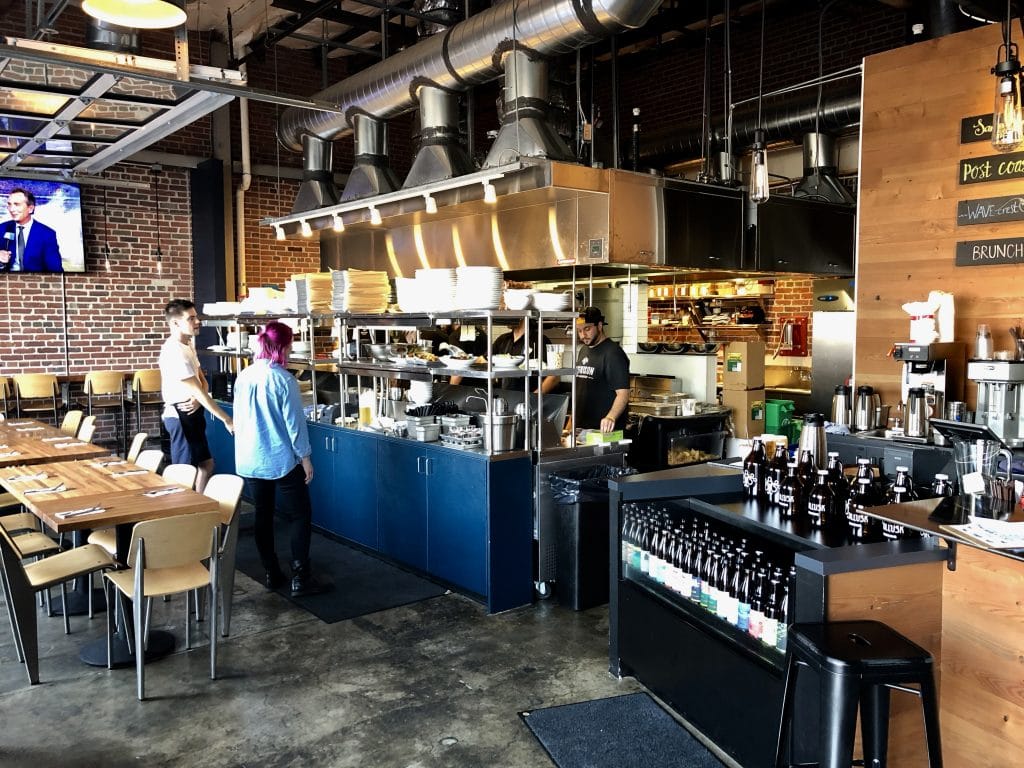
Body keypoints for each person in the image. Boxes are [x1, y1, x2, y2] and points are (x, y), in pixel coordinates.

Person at [233, 321, 329, 597]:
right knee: (300, 515)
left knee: (263, 514)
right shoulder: (284, 379)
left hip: (251, 457)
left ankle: (271, 571)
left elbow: (240, 419)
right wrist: (306, 457)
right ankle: (301, 577)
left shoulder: (244, 376)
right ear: (286, 346)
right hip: (280, 458)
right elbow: (295, 425)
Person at [159, 299, 233, 493]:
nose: (197, 321)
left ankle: (198, 506)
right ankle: (183, 515)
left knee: (206, 465)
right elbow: (198, 389)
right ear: (175, 323)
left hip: (193, 409)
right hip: (180, 413)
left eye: (196, 317)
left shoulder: (188, 345)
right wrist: (226, 419)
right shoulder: (174, 351)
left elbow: (202, 380)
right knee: (184, 473)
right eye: (191, 318)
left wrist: (198, 399)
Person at [574, 306, 630, 432]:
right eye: (579, 331)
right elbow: (579, 389)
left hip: (603, 432)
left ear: (599, 326)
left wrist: (610, 417)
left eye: (587, 329)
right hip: (581, 429)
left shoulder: (613, 353)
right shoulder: (583, 350)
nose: (583, 335)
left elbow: (623, 394)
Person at [0, 188, 63, 272]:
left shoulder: (47, 234)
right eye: (9, 204)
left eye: (17, 204)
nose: (11, 209)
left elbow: (55, 269)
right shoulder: (2, 229)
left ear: (30, 208)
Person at [491, 318, 561, 394]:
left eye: (509, 311)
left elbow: (554, 376)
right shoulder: (502, 340)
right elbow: (483, 361)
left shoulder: (540, 340)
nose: (505, 316)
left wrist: (534, 397)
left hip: (530, 401)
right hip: (504, 398)